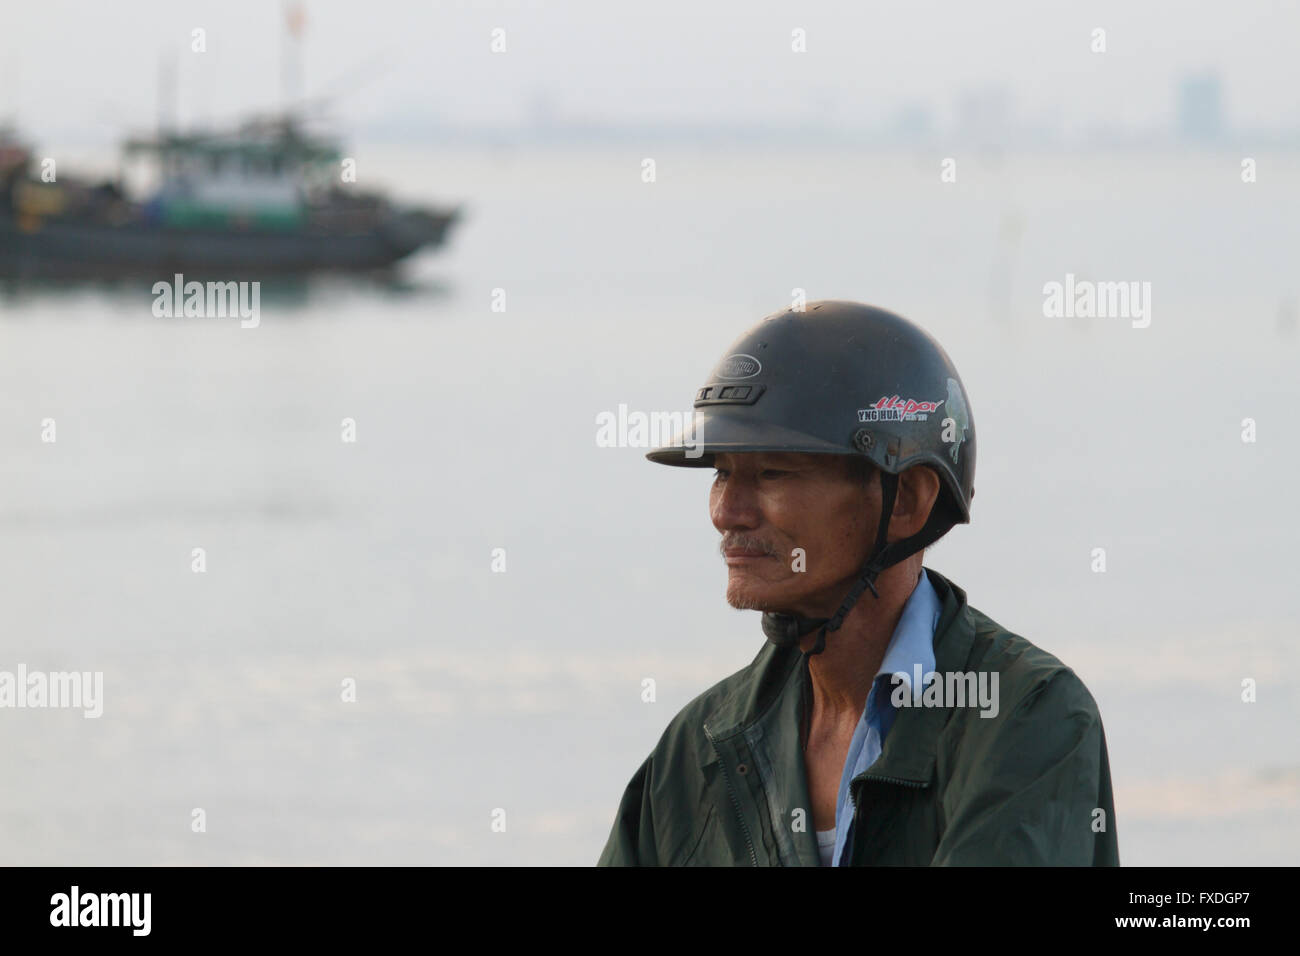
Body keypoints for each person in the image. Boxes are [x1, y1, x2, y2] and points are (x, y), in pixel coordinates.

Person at [597, 300, 1119, 866]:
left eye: (773, 472)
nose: (728, 512)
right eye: (723, 472)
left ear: (909, 502)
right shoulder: (695, 749)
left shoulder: (1026, 714)